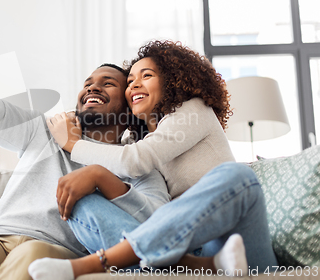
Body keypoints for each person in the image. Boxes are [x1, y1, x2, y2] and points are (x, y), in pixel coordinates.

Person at [0, 0, 171, 280]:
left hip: (55, 248)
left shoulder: (137, 162)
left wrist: (103, 178)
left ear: (130, 107)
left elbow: (161, 224)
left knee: (31, 256)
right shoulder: (44, 129)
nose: (92, 88)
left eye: (108, 84)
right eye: (87, 83)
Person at [28, 40, 278, 279]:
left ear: (172, 82)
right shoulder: (142, 141)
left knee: (238, 177)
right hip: (186, 249)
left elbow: (134, 160)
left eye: (146, 76)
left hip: (233, 245)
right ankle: (195, 266)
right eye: (130, 81)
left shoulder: (194, 111)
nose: (134, 85)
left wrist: (71, 143)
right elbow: (127, 169)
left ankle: (94, 263)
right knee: (81, 203)